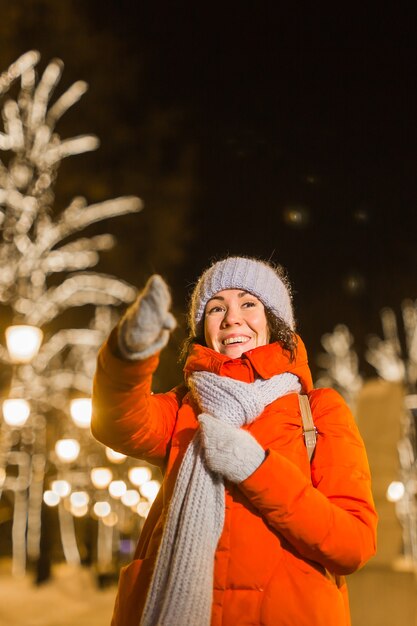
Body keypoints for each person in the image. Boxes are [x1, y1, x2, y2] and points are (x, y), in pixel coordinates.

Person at [91, 256, 377, 626]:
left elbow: (352, 544)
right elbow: (117, 421)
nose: (231, 318)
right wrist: (126, 355)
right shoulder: (183, 407)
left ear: (275, 321)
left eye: (248, 303)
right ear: (202, 327)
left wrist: (257, 468)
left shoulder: (318, 410)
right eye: (216, 308)